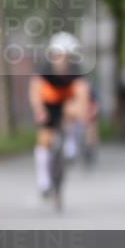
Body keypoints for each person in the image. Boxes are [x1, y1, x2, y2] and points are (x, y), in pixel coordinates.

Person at [29, 32, 90, 196]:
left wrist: (82, 114)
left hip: (66, 102)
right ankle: (44, 180)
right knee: (45, 139)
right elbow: (35, 91)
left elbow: (82, 92)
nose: (62, 60)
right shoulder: (45, 69)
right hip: (49, 103)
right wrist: (39, 110)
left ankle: (71, 142)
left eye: (66, 56)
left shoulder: (76, 69)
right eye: (58, 56)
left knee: (73, 111)